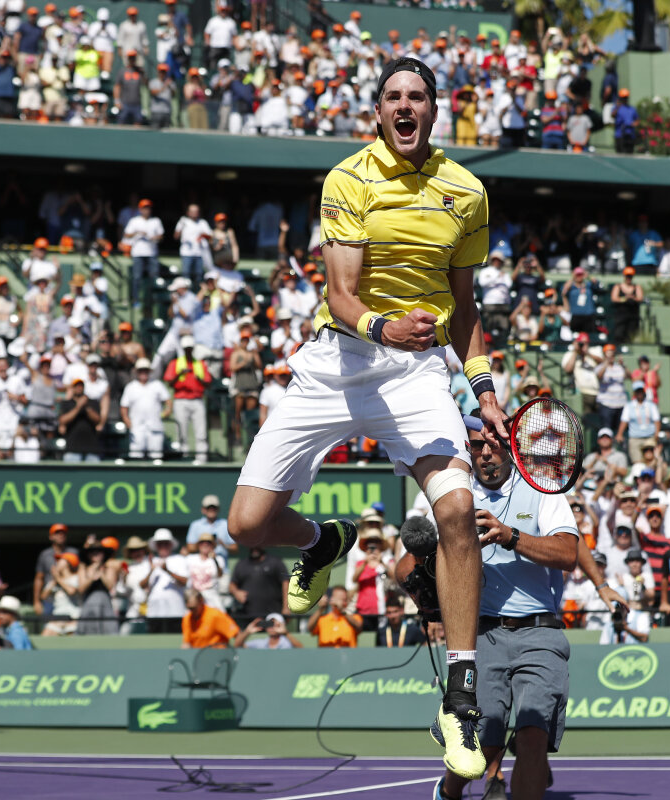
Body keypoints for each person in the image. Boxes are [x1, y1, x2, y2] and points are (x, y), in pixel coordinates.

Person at [227, 56, 502, 781]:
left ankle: (461, 696)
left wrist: (485, 391)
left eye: (417, 96)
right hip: (340, 360)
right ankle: (324, 541)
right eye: (393, 97)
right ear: (379, 112)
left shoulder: (466, 192)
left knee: (458, 512)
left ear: (434, 111)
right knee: (248, 526)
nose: (405, 106)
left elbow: (465, 310)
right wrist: (386, 329)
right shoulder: (350, 178)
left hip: (417, 373)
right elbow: (342, 292)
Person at [431, 419, 577, 800]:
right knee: (484, 746)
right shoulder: (452, 495)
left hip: (539, 632)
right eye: (476, 446)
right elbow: (405, 565)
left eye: (492, 445)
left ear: (510, 447)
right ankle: (448, 793)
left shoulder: (542, 490)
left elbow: (568, 553)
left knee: (532, 735)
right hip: (481, 636)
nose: (485, 453)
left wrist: (510, 536)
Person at [164, 335, 212, 463]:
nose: (188, 351)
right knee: (181, 432)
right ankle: (183, 457)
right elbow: (169, 382)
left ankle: (202, 459)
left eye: (190, 349)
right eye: (186, 349)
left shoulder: (200, 364)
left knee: (201, 432)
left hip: (197, 399)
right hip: (181, 400)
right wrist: (180, 374)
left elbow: (208, 382)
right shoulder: (175, 363)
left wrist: (199, 379)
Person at [144, 528, 189, 633]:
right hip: (154, 612)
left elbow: (184, 581)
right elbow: (142, 585)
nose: (163, 546)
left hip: (175, 611)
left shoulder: (180, 559)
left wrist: (167, 571)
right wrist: (151, 570)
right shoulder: (151, 561)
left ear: (170, 545)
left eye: (166, 543)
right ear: (156, 546)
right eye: (160, 544)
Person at [229, 546, 290, 619]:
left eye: (257, 544)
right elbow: (232, 585)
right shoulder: (241, 564)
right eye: (252, 544)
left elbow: (286, 583)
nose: (255, 547)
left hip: (273, 615)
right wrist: (236, 592)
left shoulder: (276, 562)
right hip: (247, 617)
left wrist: (286, 607)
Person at [33, 523, 77, 616]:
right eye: (57, 533)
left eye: (63, 533)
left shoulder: (73, 552)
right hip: (50, 598)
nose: (61, 535)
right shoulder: (45, 554)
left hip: (70, 597)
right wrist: (36, 601)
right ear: (51, 537)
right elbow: (39, 578)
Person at [236, 612, 302, 649]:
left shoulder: (287, 643)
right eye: (269, 623)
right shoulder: (260, 643)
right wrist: (247, 632)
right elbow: (237, 646)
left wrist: (286, 633)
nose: (272, 627)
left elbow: (301, 650)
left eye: (275, 624)